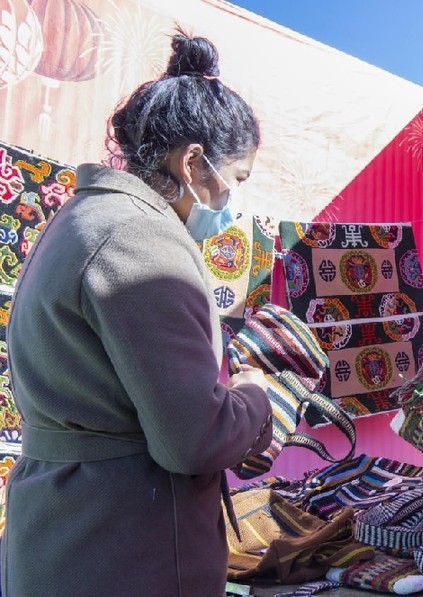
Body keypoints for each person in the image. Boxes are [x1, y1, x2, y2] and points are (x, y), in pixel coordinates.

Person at [2, 31, 274, 596]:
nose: (234, 203)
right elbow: (193, 440)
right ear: (194, 163)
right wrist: (254, 396)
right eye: (237, 179)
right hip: (123, 545)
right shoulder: (138, 239)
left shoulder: (81, 220)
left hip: (71, 530)